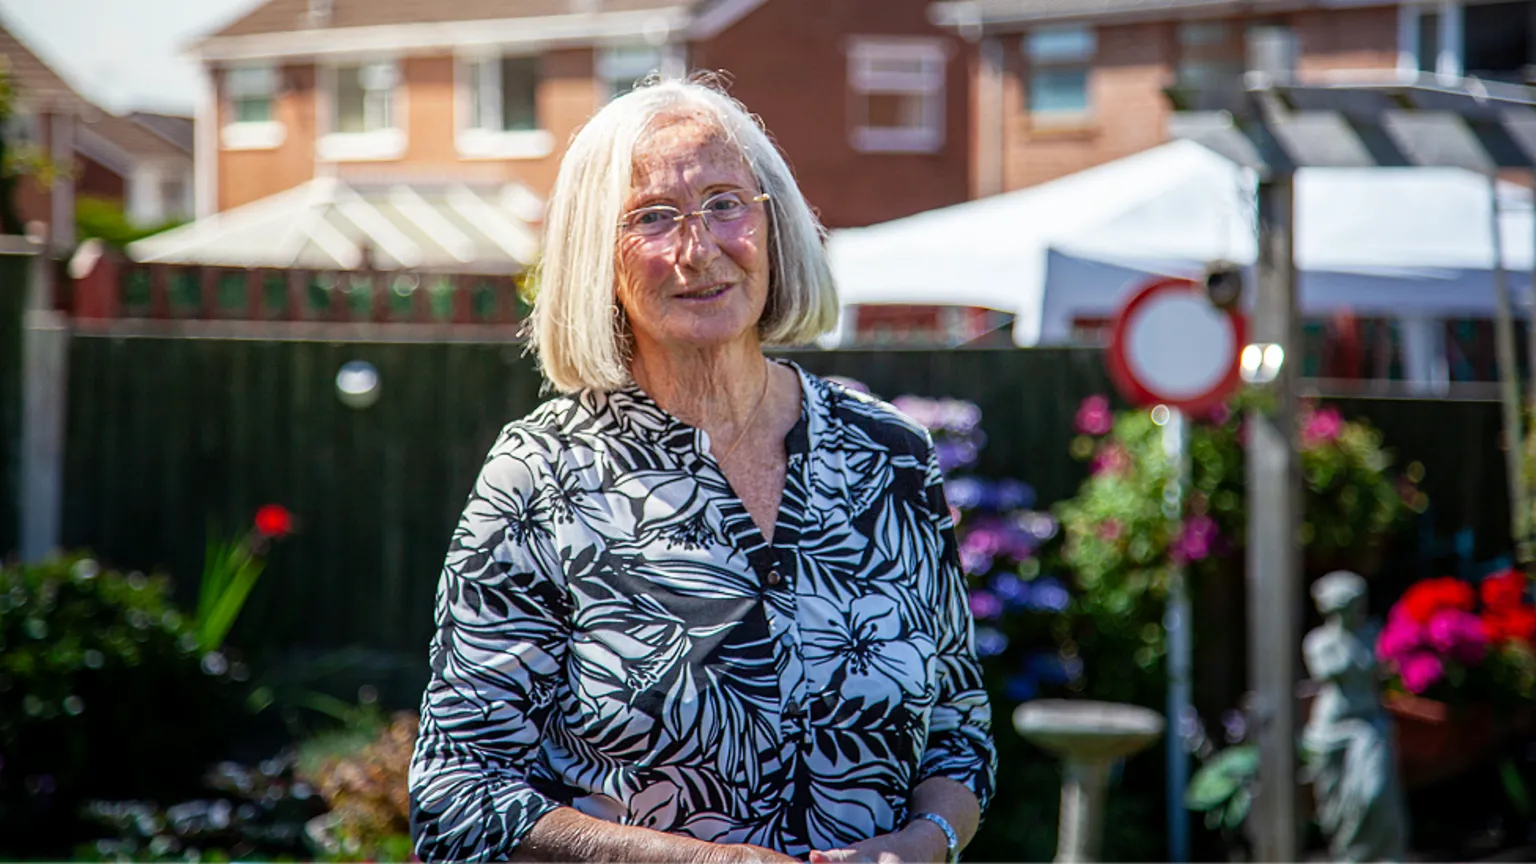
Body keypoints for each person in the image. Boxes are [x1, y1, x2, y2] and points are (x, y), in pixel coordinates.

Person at [408, 77, 996, 864]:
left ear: (773, 222)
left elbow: (959, 729)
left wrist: (928, 842)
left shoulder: (888, 455)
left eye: (726, 203)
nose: (699, 248)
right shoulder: (542, 474)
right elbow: (458, 792)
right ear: (596, 256)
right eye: (653, 216)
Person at [1300, 571, 1407, 864]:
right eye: (1352, 605)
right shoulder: (1320, 643)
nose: (1358, 610)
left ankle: (1383, 852)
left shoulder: (1372, 634)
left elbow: (1391, 662)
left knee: (1375, 791)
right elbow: (1325, 672)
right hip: (1333, 728)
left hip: (1370, 723)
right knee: (1339, 804)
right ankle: (1350, 855)